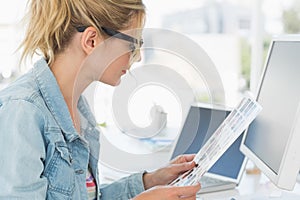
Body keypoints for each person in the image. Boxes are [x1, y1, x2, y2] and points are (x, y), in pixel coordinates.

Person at [0, 0, 201, 199]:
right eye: (133, 44)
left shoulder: (77, 108)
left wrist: (150, 182)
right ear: (91, 41)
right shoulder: (22, 111)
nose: (137, 57)